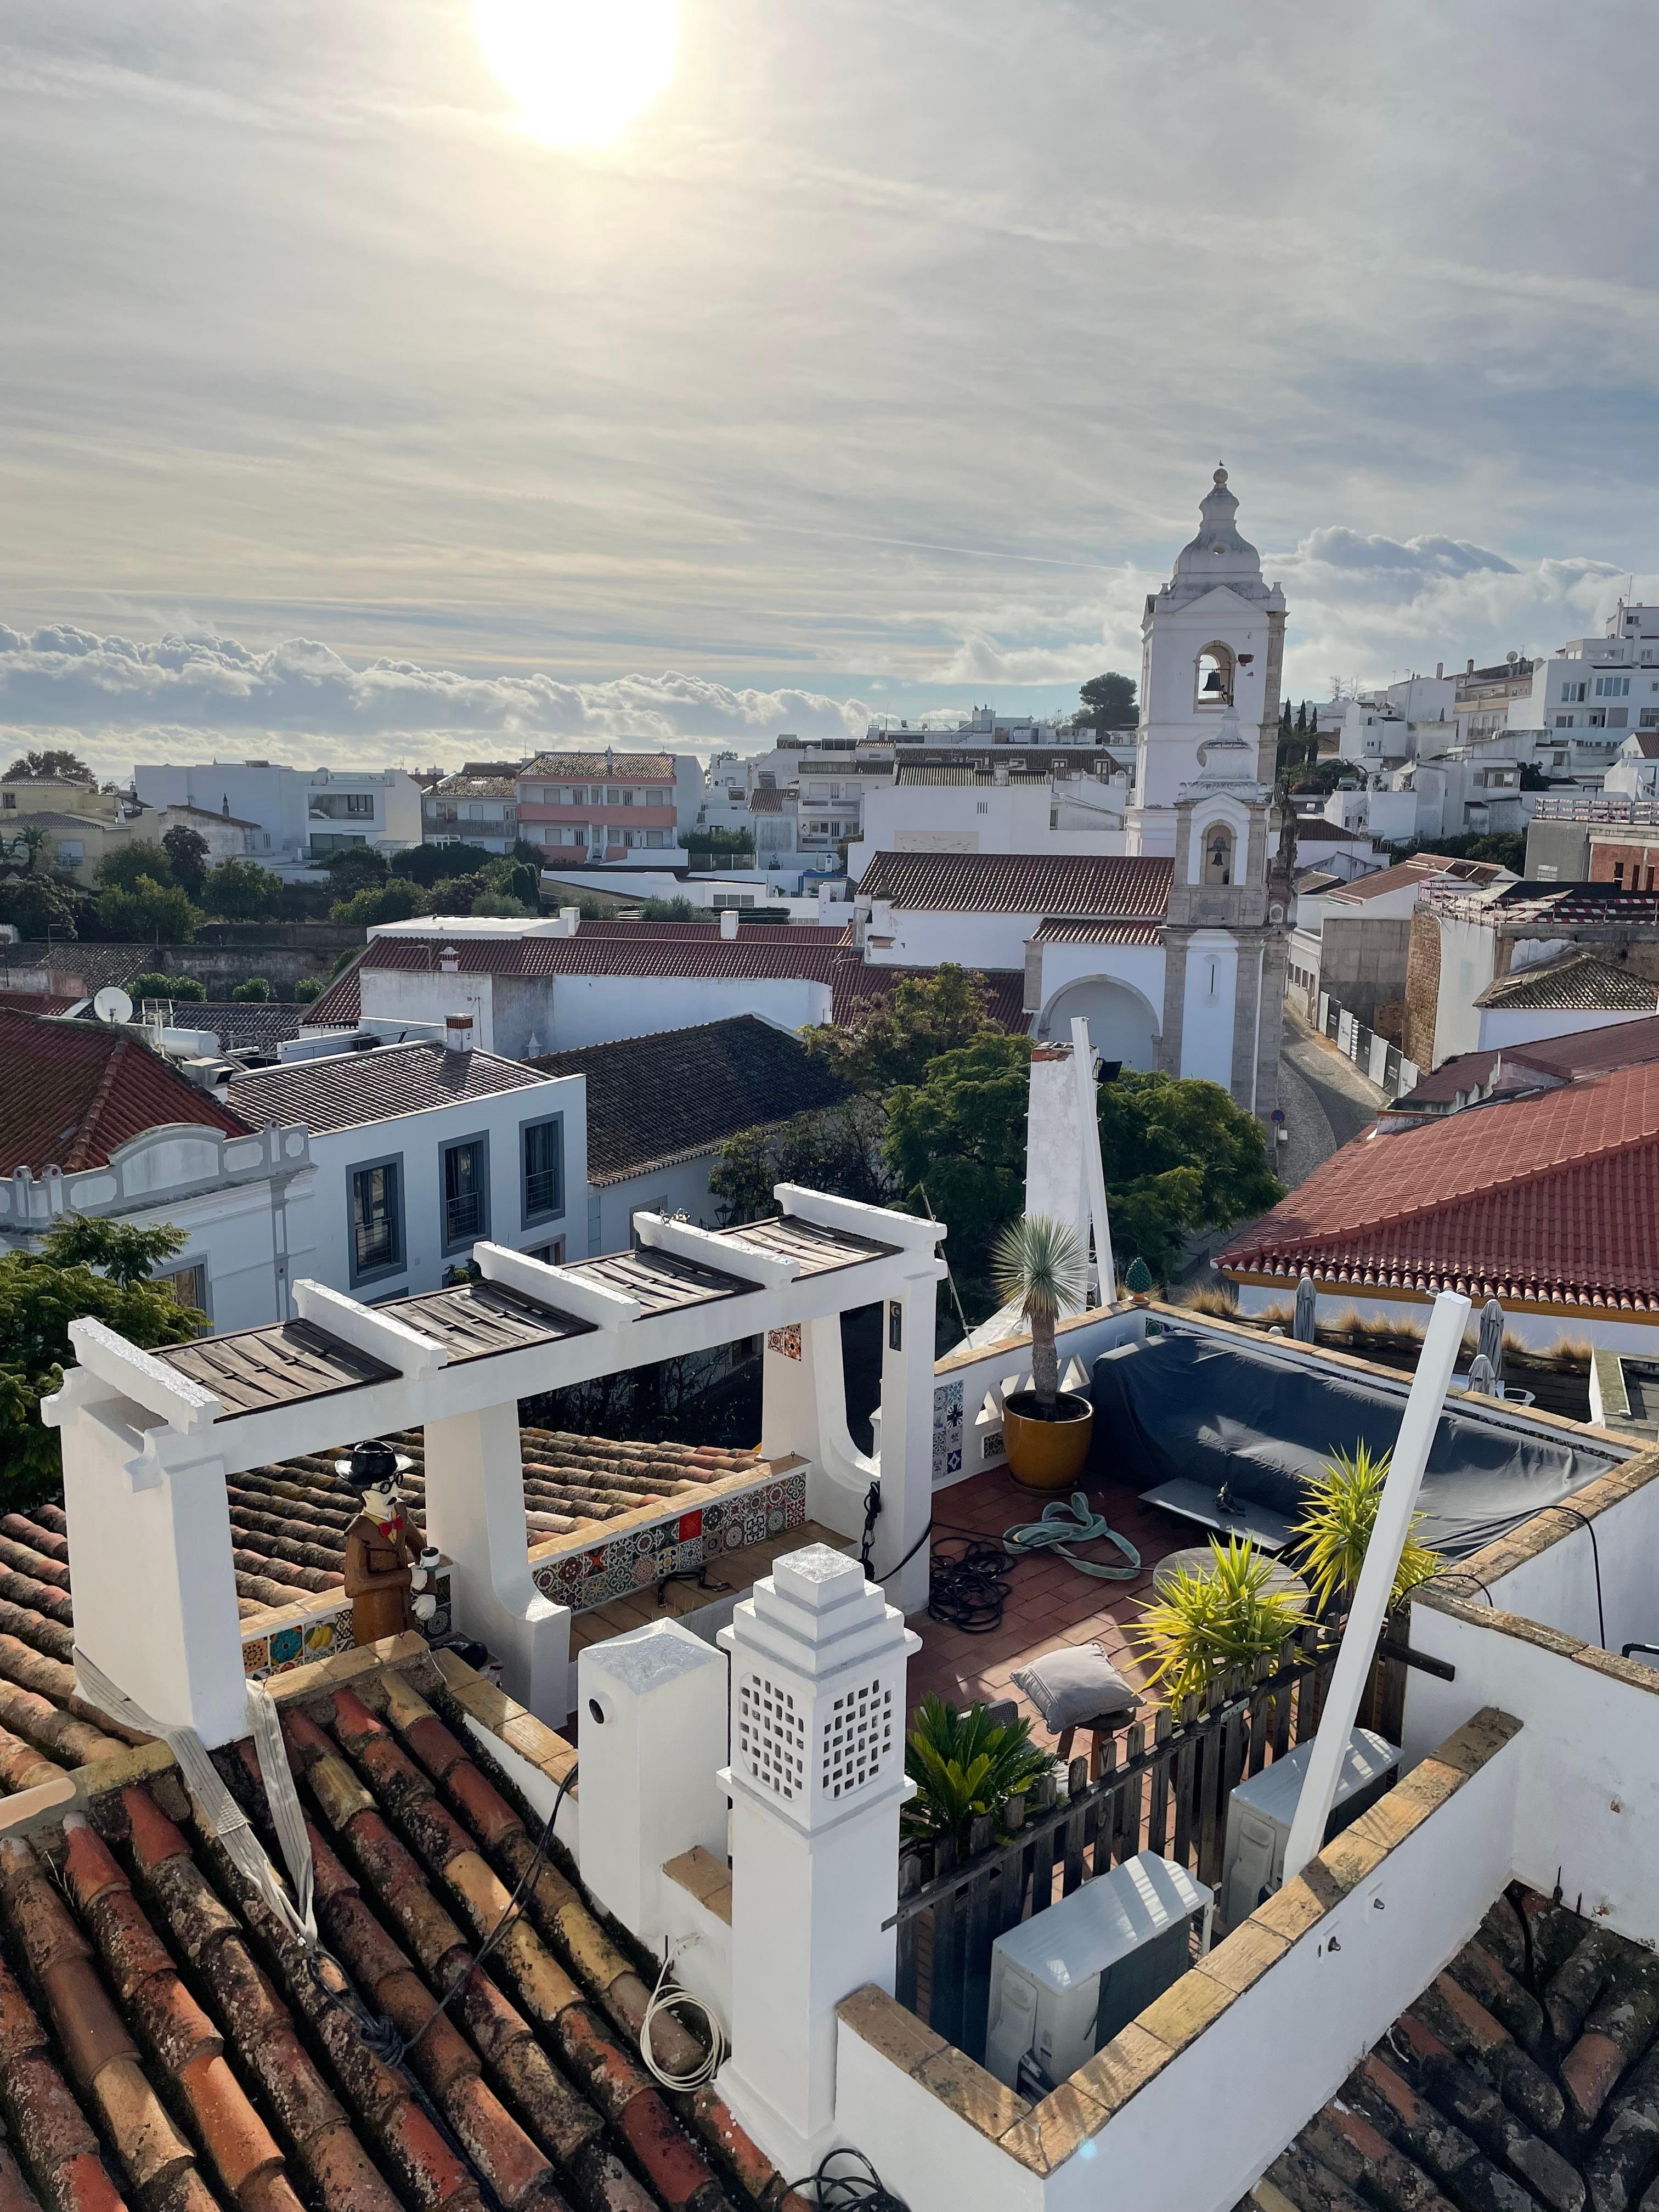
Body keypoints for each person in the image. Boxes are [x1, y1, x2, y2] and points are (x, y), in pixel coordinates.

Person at [342, 1438, 437, 1645]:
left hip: (406, 1615)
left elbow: (424, 1552)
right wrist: (407, 1576)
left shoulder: (399, 1512)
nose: (394, 1493)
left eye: (397, 1482)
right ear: (366, 1493)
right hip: (376, 1623)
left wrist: (429, 1592)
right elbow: (354, 1586)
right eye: (385, 1487)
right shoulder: (359, 1534)